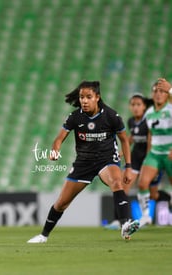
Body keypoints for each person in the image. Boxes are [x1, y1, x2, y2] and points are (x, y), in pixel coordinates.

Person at [27, 81, 140, 244]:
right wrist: (55, 149)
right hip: (84, 163)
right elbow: (59, 138)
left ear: (97, 97)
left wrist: (128, 166)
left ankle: (125, 224)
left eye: (88, 97)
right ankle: (43, 235)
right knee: (61, 203)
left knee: (117, 182)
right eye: (81, 97)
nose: (84, 101)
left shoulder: (111, 116)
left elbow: (124, 140)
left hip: (106, 159)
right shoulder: (75, 117)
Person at [105, 93, 160, 230]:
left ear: (144, 107)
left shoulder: (149, 120)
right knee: (122, 188)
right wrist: (121, 154)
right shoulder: (130, 121)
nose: (135, 108)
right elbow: (130, 139)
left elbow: (150, 141)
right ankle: (120, 220)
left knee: (154, 194)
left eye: (138, 105)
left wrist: (149, 160)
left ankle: (153, 216)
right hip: (135, 158)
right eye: (133, 105)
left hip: (149, 158)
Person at [137, 78, 172, 227]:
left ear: (167, 95)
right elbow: (150, 133)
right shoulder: (149, 112)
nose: (158, 94)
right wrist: (148, 152)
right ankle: (146, 217)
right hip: (155, 153)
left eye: (162, 91)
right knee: (142, 183)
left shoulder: (170, 109)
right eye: (155, 91)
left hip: (170, 151)